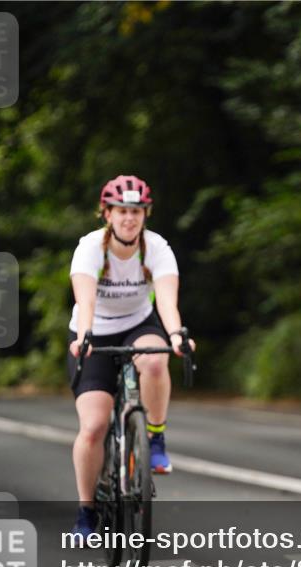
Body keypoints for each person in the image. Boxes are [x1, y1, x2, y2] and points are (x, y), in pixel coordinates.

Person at [67, 175, 193, 539]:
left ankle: (154, 438)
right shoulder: (91, 248)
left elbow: (167, 301)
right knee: (93, 426)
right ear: (107, 213)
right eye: (122, 211)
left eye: (136, 211)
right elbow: (85, 299)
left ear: (145, 214)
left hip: (139, 324)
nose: (129, 218)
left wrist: (175, 336)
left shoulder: (156, 248)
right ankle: (86, 511)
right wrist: (84, 336)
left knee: (155, 360)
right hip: (92, 333)